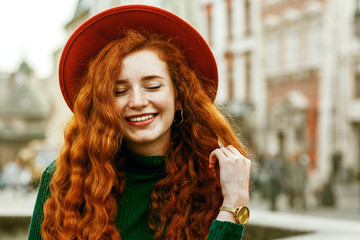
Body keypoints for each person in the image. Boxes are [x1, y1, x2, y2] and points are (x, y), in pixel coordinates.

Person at [28, 5, 251, 240]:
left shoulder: (210, 179)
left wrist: (234, 206)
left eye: (153, 86)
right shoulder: (65, 177)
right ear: (103, 105)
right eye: (119, 91)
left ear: (179, 97)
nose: (137, 101)